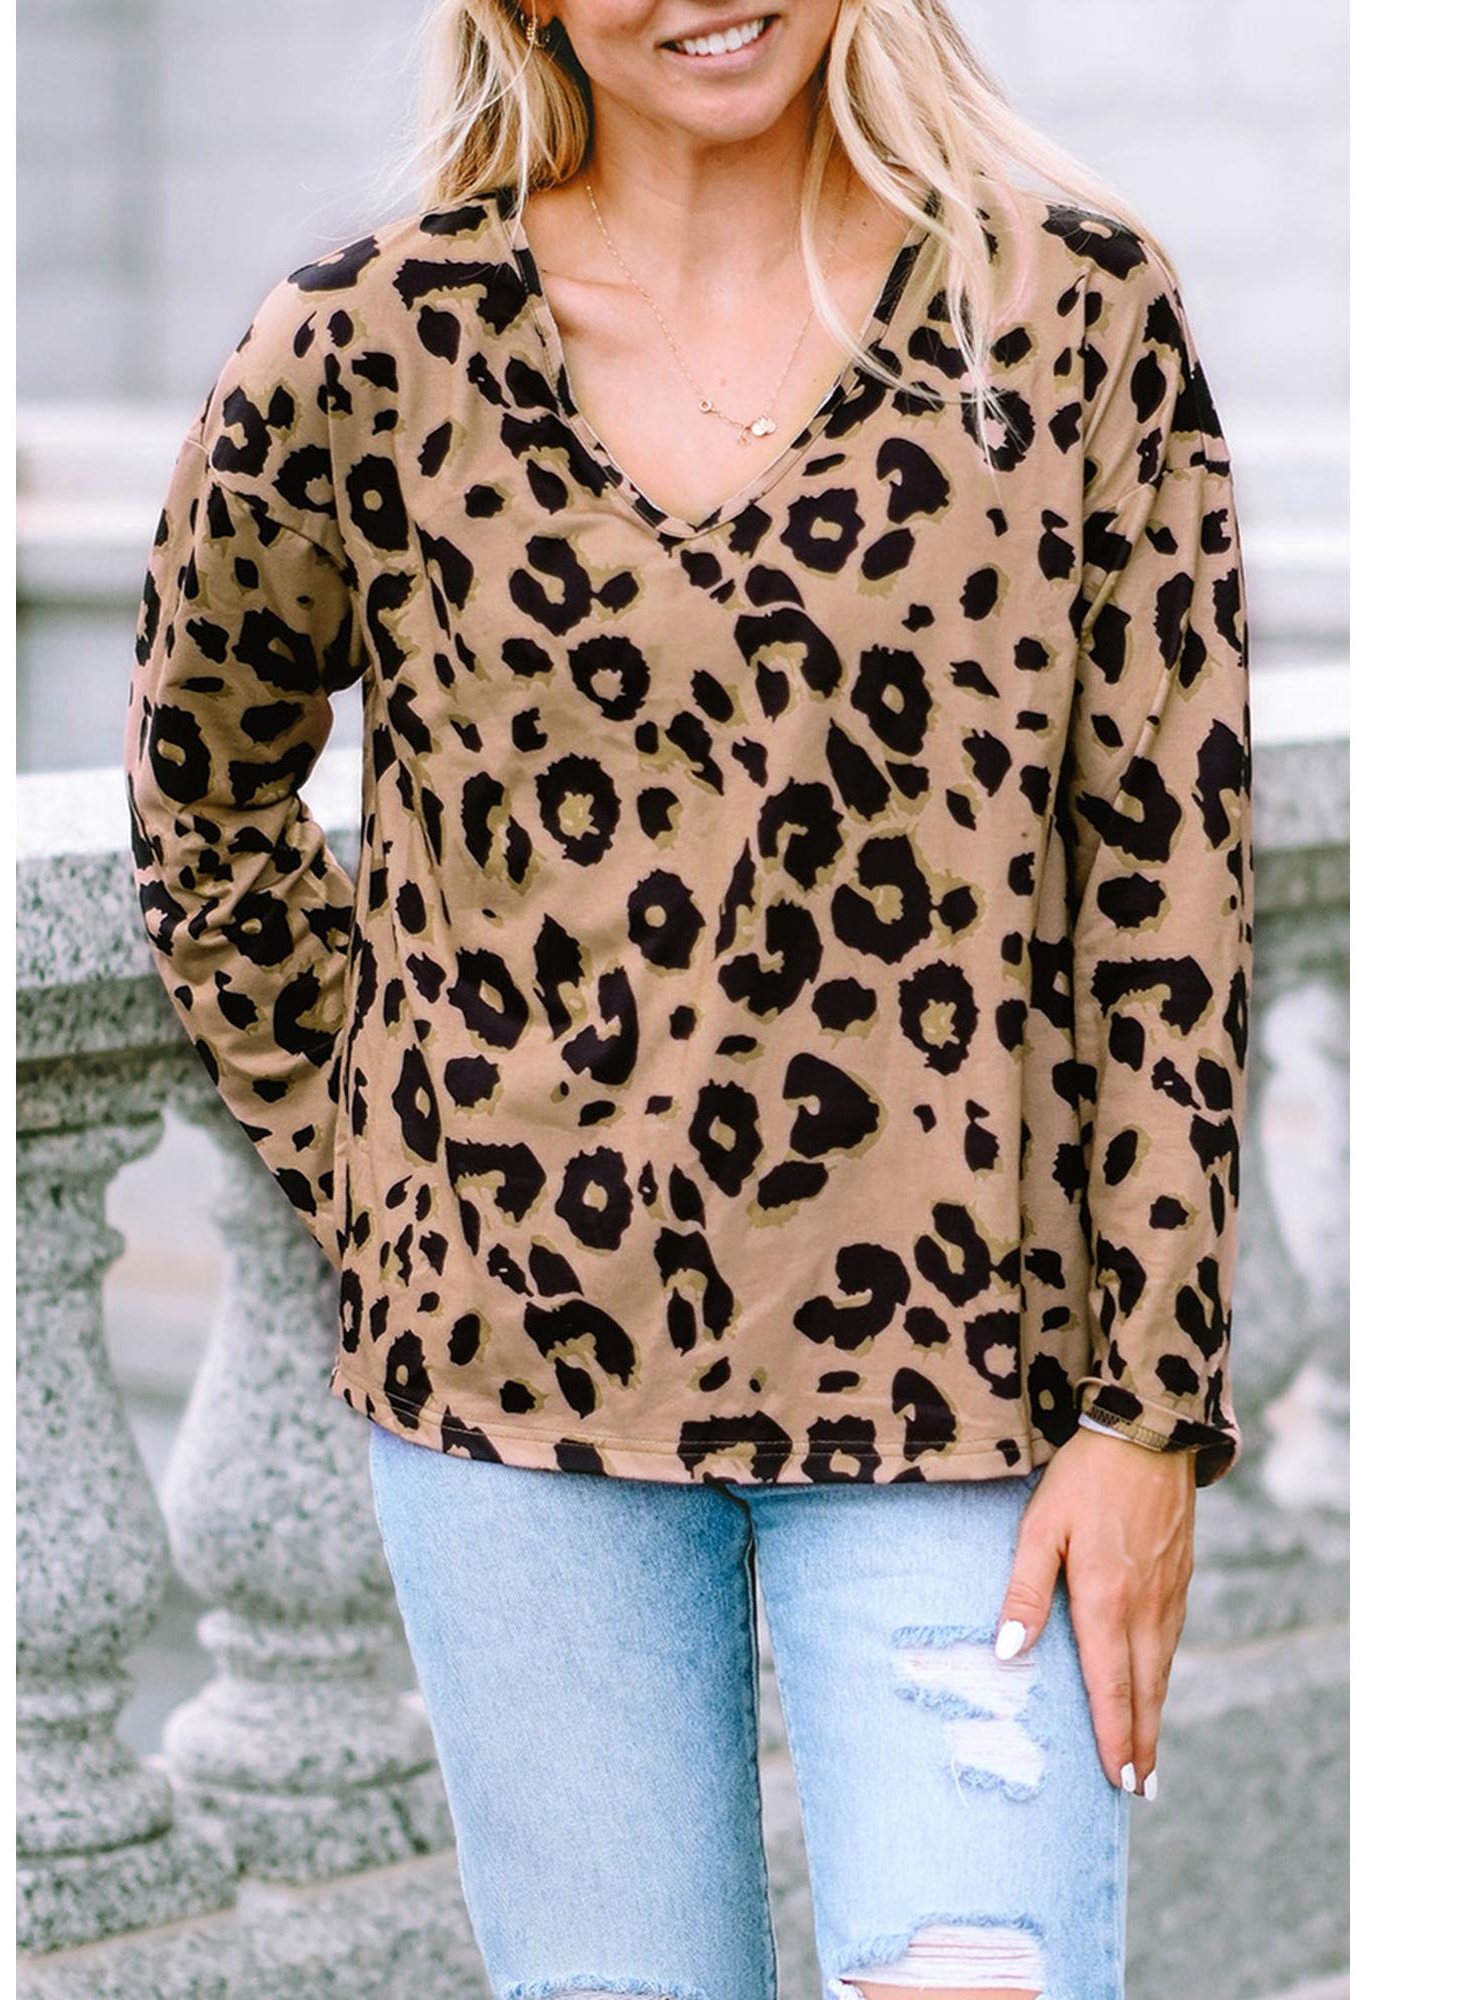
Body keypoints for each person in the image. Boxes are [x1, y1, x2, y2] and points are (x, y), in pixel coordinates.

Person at [123, 3, 1253, 1995]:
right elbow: (200, 793)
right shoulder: (367, 349)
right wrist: (381, 1166)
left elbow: (1165, 886)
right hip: (513, 1408)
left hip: (968, 1391)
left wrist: (1148, 1411)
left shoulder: (1065, 319)